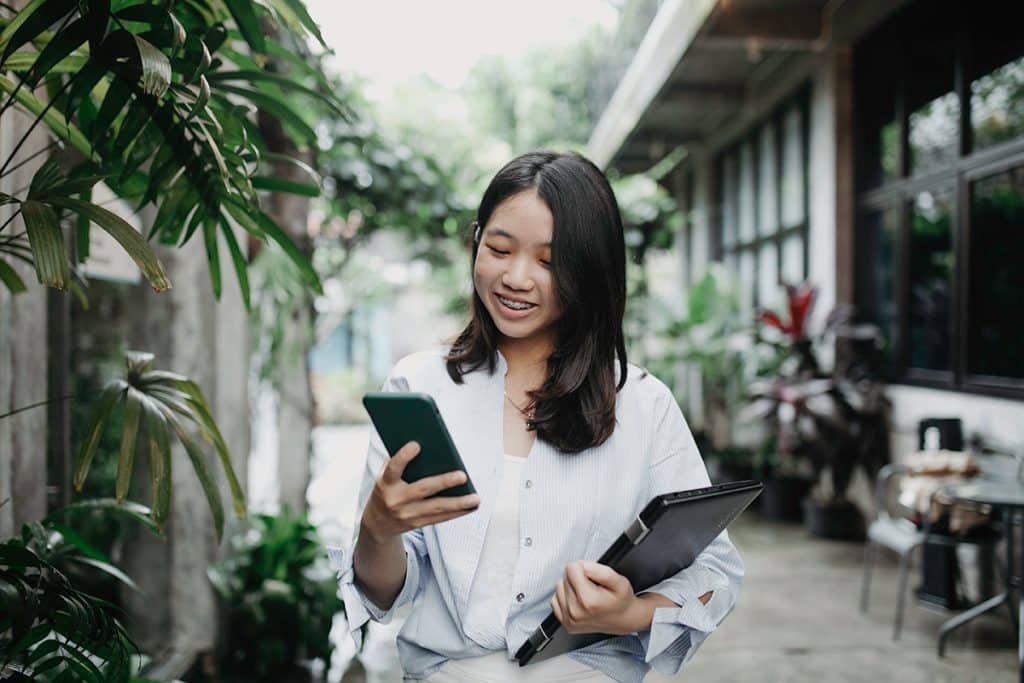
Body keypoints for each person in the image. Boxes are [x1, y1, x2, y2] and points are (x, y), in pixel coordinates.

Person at [329, 151, 744, 682]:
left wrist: (630, 613)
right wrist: (377, 529)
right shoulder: (420, 387)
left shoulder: (642, 403)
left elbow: (715, 572)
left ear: (590, 269)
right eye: (499, 249)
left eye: (549, 262)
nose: (516, 278)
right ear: (477, 241)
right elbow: (385, 590)